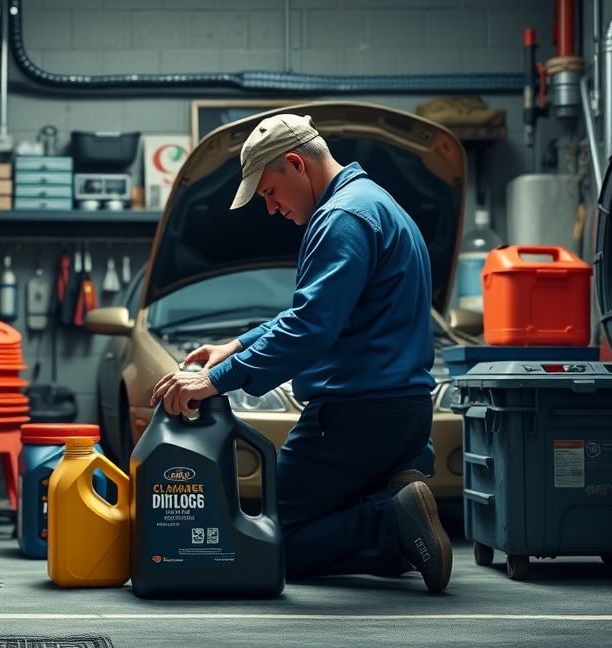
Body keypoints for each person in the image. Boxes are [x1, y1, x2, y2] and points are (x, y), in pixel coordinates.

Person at [150, 113, 453, 592]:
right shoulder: (377, 204)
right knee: (313, 523)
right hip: (405, 414)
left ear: (296, 163)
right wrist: (239, 343)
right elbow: (321, 309)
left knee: (268, 541)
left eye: (270, 191)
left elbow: (311, 327)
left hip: (356, 416)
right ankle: (391, 511)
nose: (270, 209)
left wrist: (216, 379)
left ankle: (390, 525)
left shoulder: (340, 219)